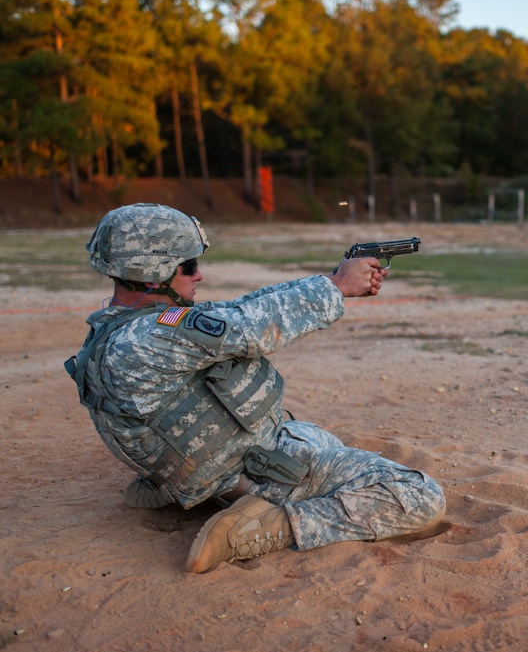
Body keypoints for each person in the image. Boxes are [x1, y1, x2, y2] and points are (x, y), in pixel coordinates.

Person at [66, 203, 446, 573]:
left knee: (318, 438)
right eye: (189, 265)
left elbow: (236, 310)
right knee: (419, 496)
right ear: (153, 274)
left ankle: (168, 490)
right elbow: (251, 327)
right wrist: (337, 286)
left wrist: (327, 281)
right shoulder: (152, 338)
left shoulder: (119, 329)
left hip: (206, 469)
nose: (198, 276)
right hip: (255, 472)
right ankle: (271, 524)